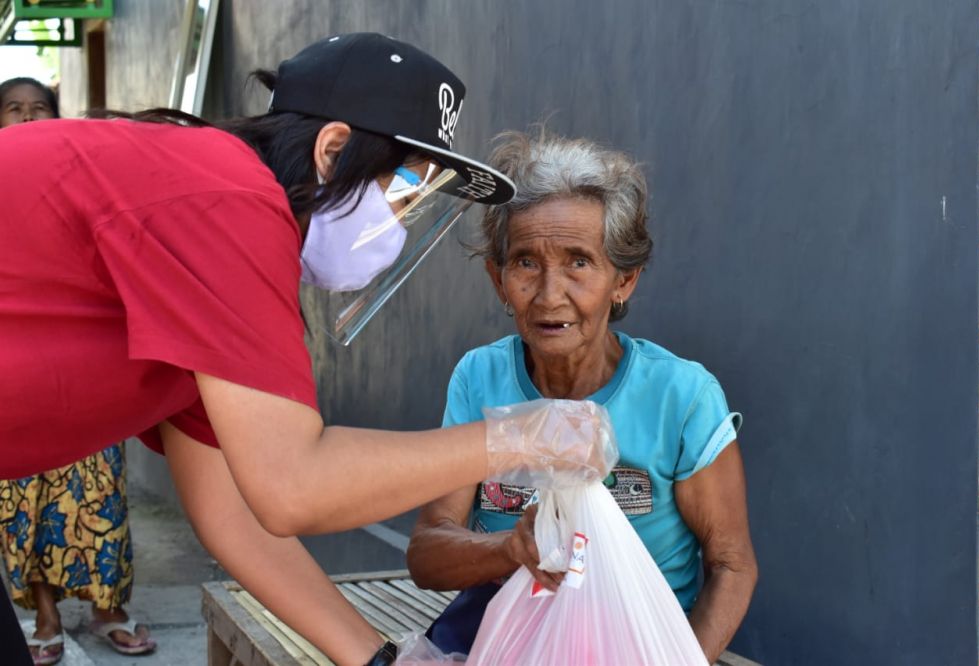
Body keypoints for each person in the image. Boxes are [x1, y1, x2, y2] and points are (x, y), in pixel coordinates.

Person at [0, 34, 616, 666]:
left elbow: (236, 514)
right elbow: (293, 486)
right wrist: (520, 437)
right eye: (404, 194)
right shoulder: (226, 202)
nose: (399, 225)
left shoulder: (205, 235)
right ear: (334, 150)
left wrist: (384, 658)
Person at [406, 130, 758, 663]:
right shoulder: (480, 379)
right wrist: (509, 549)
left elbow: (732, 564)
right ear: (498, 281)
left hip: (636, 641)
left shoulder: (680, 397)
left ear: (625, 281)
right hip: (508, 634)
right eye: (525, 263)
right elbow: (428, 554)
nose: (550, 295)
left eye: (578, 262)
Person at [0, 77, 154, 666]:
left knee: (99, 494)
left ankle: (108, 606)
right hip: (15, 373)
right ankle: (44, 615)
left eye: (39, 109)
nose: (27, 117)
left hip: (85, 370)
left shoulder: (80, 183)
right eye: (13, 109)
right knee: (22, 500)